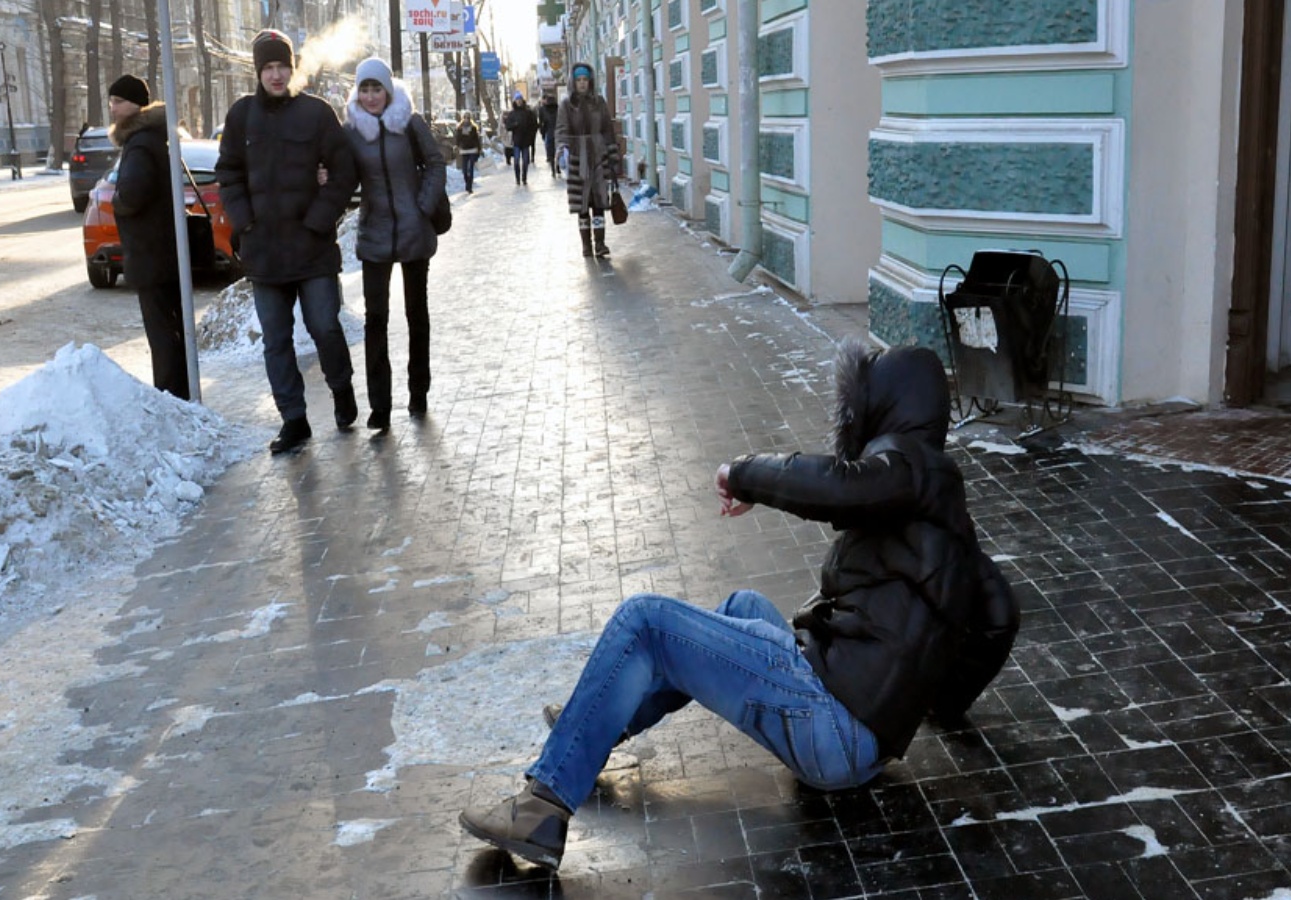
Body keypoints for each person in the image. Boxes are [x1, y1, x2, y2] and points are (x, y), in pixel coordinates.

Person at [458, 340, 1021, 870]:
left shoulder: (905, 468)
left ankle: (540, 809)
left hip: (832, 726)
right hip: (865, 745)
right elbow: (1000, 618)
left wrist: (743, 474)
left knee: (646, 620)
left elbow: (837, 484)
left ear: (880, 409)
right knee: (743, 603)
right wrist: (934, 704)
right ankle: (596, 723)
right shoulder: (948, 513)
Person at [216, 29, 360, 454]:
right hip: (265, 252)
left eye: (283, 66)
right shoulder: (241, 117)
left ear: (293, 68)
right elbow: (229, 174)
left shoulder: (317, 114)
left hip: (312, 248)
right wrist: (245, 224)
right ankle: (293, 419)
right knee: (276, 340)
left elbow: (344, 172)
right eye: (268, 68)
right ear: (258, 72)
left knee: (324, 326)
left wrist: (320, 219)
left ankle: (342, 390)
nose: (276, 75)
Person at [342, 58, 446, 430]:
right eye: (365, 89)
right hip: (375, 234)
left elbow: (436, 163)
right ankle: (380, 405)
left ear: (388, 89)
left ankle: (419, 392)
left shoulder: (410, 121)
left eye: (377, 89)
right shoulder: (352, 129)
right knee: (376, 319)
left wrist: (422, 207)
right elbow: (342, 173)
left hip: (414, 231)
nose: (371, 97)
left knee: (416, 314)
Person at [106, 74, 190, 401]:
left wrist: (117, 201)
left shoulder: (139, 143)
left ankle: (171, 396)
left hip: (150, 254)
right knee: (172, 329)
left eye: (117, 102)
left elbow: (132, 193)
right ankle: (179, 392)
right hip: (163, 252)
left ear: (134, 104)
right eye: (112, 102)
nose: (112, 109)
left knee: (162, 334)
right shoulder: (153, 138)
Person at [554, 63, 620, 258]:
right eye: (579, 80)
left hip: (598, 157)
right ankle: (586, 245)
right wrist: (562, 149)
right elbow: (561, 130)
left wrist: (613, 156)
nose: (582, 84)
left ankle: (600, 243)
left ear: (590, 81)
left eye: (585, 80)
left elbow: (607, 130)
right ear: (574, 82)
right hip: (577, 159)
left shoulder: (599, 102)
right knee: (582, 205)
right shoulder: (567, 105)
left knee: (599, 203)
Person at [502, 93, 538, 186]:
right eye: (517, 100)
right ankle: (517, 178)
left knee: (526, 161)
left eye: (520, 99)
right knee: (517, 161)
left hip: (526, 141)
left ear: (522, 101)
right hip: (517, 141)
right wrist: (515, 125)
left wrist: (531, 135)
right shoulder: (512, 114)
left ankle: (524, 177)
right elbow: (508, 126)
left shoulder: (528, 112)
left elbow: (534, 125)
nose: (519, 101)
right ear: (515, 101)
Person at [455, 111, 482, 193]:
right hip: (464, 150)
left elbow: (477, 139)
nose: (467, 119)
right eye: (465, 117)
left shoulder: (473, 128)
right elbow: (458, 139)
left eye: (468, 117)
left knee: (470, 168)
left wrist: (479, 149)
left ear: (470, 119)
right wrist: (456, 145)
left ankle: (469, 186)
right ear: (463, 118)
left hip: (473, 149)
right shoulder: (460, 128)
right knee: (464, 169)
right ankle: (467, 181)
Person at [538, 93, 559, 179]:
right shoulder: (558, 109)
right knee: (557, 151)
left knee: (551, 153)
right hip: (557, 134)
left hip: (549, 134)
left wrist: (542, 133)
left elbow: (542, 123)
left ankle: (554, 169)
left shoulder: (543, 109)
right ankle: (557, 167)